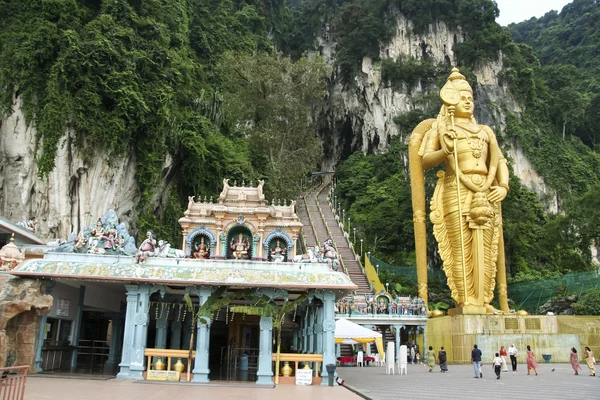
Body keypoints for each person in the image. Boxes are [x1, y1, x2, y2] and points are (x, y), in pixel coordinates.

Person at [415, 68, 510, 313]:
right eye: (462, 97)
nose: (468, 101)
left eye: (470, 98)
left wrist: (502, 186)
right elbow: (424, 159)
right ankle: (465, 300)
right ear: (451, 100)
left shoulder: (485, 131)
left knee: (488, 246)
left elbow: (499, 161)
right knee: (460, 247)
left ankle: (485, 301)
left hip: (486, 191)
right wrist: (445, 151)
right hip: (455, 189)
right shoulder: (441, 129)